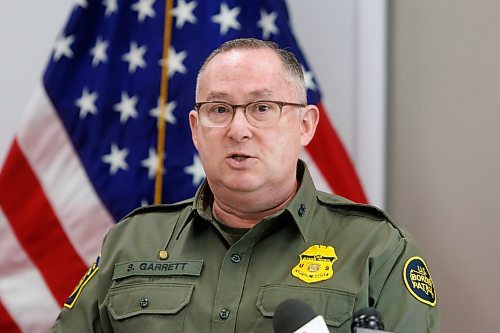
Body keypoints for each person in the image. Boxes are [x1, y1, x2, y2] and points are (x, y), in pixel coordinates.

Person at [51, 38, 440, 332]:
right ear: (195, 130)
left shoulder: (377, 251)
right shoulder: (131, 241)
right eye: (219, 110)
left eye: (262, 108)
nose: (239, 130)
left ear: (305, 125)